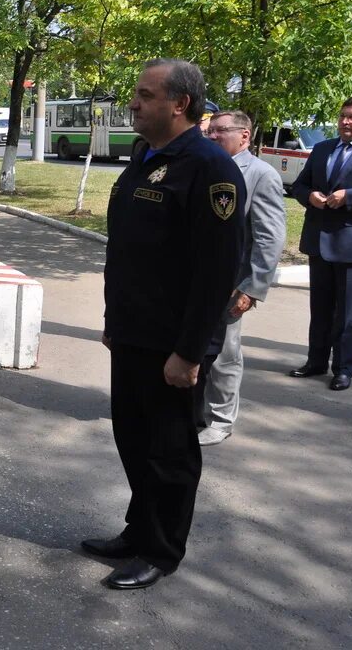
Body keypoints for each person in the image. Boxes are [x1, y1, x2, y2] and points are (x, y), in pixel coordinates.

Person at [88, 59, 244, 589]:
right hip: (133, 331)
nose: (133, 102)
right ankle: (138, 531)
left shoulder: (209, 168)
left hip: (173, 343)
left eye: (144, 94)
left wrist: (192, 351)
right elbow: (129, 252)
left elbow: (215, 273)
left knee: (169, 452)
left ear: (179, 103)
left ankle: (162, 549)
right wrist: (114, 319)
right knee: (133, 439)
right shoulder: (145, 156)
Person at [199, 110, 286, 445]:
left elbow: (270, 237)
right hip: (197, 276)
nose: (212, 137)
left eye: (220, 131)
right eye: (209, 131)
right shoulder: (206, 166)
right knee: (195, 347)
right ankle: (194, 412)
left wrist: (252, 287)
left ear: (245, 135)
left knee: (224, 353)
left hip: (233, 281)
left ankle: (220, 420)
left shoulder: (260, 174)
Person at [288, 95, 352, 391]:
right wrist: (310, 196)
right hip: (319, 239)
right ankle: (316, 361)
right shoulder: (323, 147)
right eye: (342, 115)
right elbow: (300, 185)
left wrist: (350, 196)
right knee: (321, 306)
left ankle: (343, 368)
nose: (345, 121)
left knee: (348, 311)